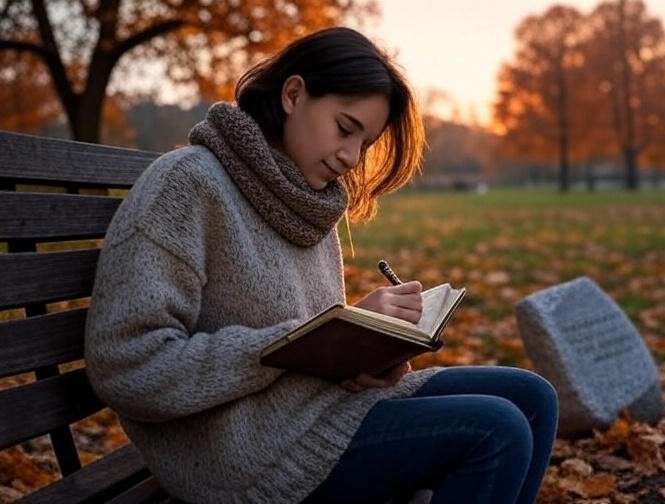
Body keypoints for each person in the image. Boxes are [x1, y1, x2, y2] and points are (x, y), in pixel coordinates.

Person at [84, 26, 558, 504]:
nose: (352, 158)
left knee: (534, 399)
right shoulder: (187, 185)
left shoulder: (306, 203)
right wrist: (282, 348)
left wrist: (371, 355)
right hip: (245, 453)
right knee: (497, 430)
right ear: (294, 94)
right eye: (345, 128)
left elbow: (307, 344)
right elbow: (127, 366)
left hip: (321, 412)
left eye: (365, 143)